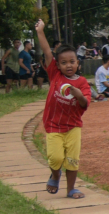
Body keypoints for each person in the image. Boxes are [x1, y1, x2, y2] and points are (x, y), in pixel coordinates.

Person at [34, 19, 93, 199]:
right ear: (57, 65)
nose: (68, 65)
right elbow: (46, 50)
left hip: (73, 126)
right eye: (64, 62)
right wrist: (40, 31)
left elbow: (85, 104)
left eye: (72, 61)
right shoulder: (55, 75)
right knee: (56, 158)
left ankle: (71, 189)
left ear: (78, 63)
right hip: (53, 125)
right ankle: (55, 175)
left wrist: (78, 95)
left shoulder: (82, 83)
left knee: (72, 160)